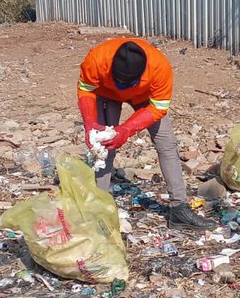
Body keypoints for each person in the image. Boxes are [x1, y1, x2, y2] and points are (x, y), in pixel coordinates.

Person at [77, 37, 214, 230]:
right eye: (118, 80)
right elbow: (86, 90)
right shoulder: (97, 59)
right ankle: (99, 211)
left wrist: (125, 130)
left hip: (145, 97)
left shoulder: (159, 67)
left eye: (128, 82)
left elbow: (158, 107)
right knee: (103, 147)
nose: (122, 87)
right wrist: (90, 124)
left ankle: (179, 210)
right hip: (106, 94)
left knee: (167, 145)